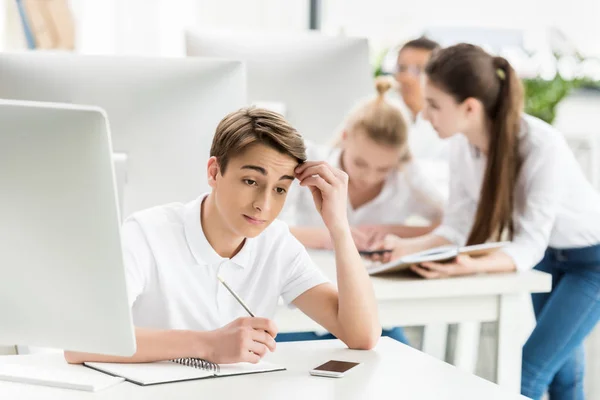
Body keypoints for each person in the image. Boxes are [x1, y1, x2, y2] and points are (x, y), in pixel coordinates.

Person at [64, 107, 381, 365]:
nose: (264, 205)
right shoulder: (146, 234)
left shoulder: (277, 243)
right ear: (214, 172)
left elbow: (362, 336)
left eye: (281, 188)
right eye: (250, 181)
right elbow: (79, 343)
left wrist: (338, 228)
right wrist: (207, 344)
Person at [375, 43, 600, 400]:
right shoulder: (461, 147)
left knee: (526, 374)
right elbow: (457, 228)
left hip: (591, 262)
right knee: (562, 377)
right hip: (546, 259)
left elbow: (528, 242)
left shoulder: (541, 145)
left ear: (469, 107)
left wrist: (461, 267)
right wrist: (405, 248)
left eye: (434, 105)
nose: (426, 114)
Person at [277, 77, 443, 344]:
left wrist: (392, 232)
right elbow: (266, 227)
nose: (369, 177)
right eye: (361, 163)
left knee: (398, 361)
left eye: (383, 169)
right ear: (344, 139)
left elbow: (451, 224)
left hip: (374, 304)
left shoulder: (406, 178)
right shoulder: (308, 164)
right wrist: (332, 237)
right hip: (309, 301)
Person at [392, 36, 446, 160]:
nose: (407, 78)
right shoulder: (383, 114)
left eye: (418, 70)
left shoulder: (447, 130)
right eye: (402, 68)